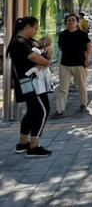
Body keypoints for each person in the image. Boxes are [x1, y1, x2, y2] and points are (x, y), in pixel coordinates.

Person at [7, 16, 52, 157]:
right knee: (43, 110)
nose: (36, 31)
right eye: (35, 28)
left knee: (32, 111)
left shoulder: (24, 41)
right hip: (31, 82)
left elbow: (42, 51)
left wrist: (44, 53)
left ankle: (23, 143)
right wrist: (46, 62)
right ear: (27, 27)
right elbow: (34, 57)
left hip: (27, 82)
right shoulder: (19, 42)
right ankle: (34, 146)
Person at [53, 14, 92, 117]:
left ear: (77, 22)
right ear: (65, 22)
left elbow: (89, 47)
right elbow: (61, 47)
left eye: (73, 20)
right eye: (68, 20)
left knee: (81, 86)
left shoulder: (82, 34)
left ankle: (83, 104)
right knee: (63, 88)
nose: (70, 22)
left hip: (79, 64)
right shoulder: (63, 34)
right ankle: (60, 110)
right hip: (65, 64)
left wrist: (87, 59)